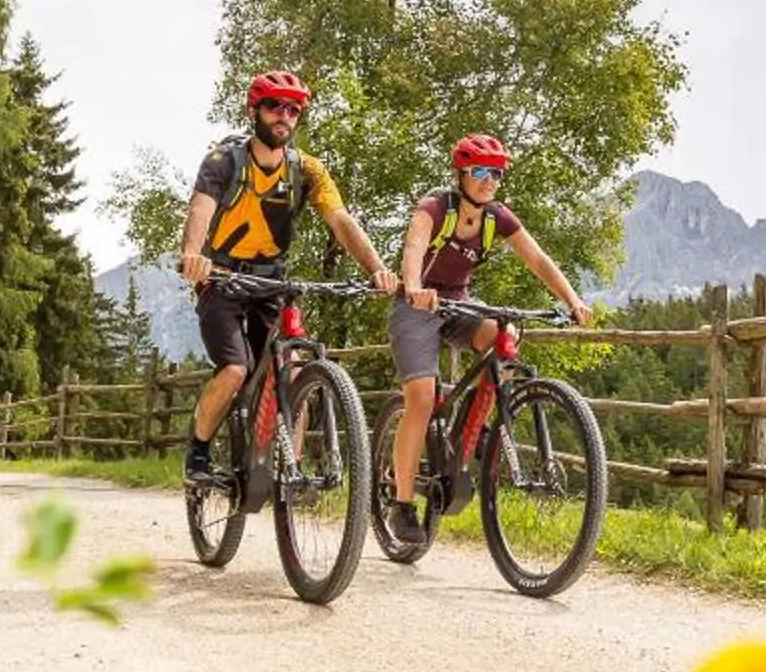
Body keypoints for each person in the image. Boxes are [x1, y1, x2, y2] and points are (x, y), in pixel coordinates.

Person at [177, 70, 397, 484]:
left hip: (271, 281)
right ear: (254, 111)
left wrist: (377, 269)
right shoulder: (224, 161)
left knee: (294, 371)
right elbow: (200, 209)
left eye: (293, 110)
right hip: (221, 278)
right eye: (274, 106)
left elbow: (340, 220)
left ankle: (287, 473)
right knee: (235, 369)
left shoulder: (307, 170)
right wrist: (193, 254)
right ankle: (198, 452)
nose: (284, 115)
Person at [382, 133, 592, 545]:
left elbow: (537, 259)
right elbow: (414, 247)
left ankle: (471, 429)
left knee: (505, 339)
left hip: (459, 304)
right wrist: (414, 286)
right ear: (460, 174)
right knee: (421, 399)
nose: (489, 180)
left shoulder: (497, 217)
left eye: (496, 173)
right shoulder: (435, 208)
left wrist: (572, 300)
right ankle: (401, 504)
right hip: (416, 306)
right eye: (480, 171)